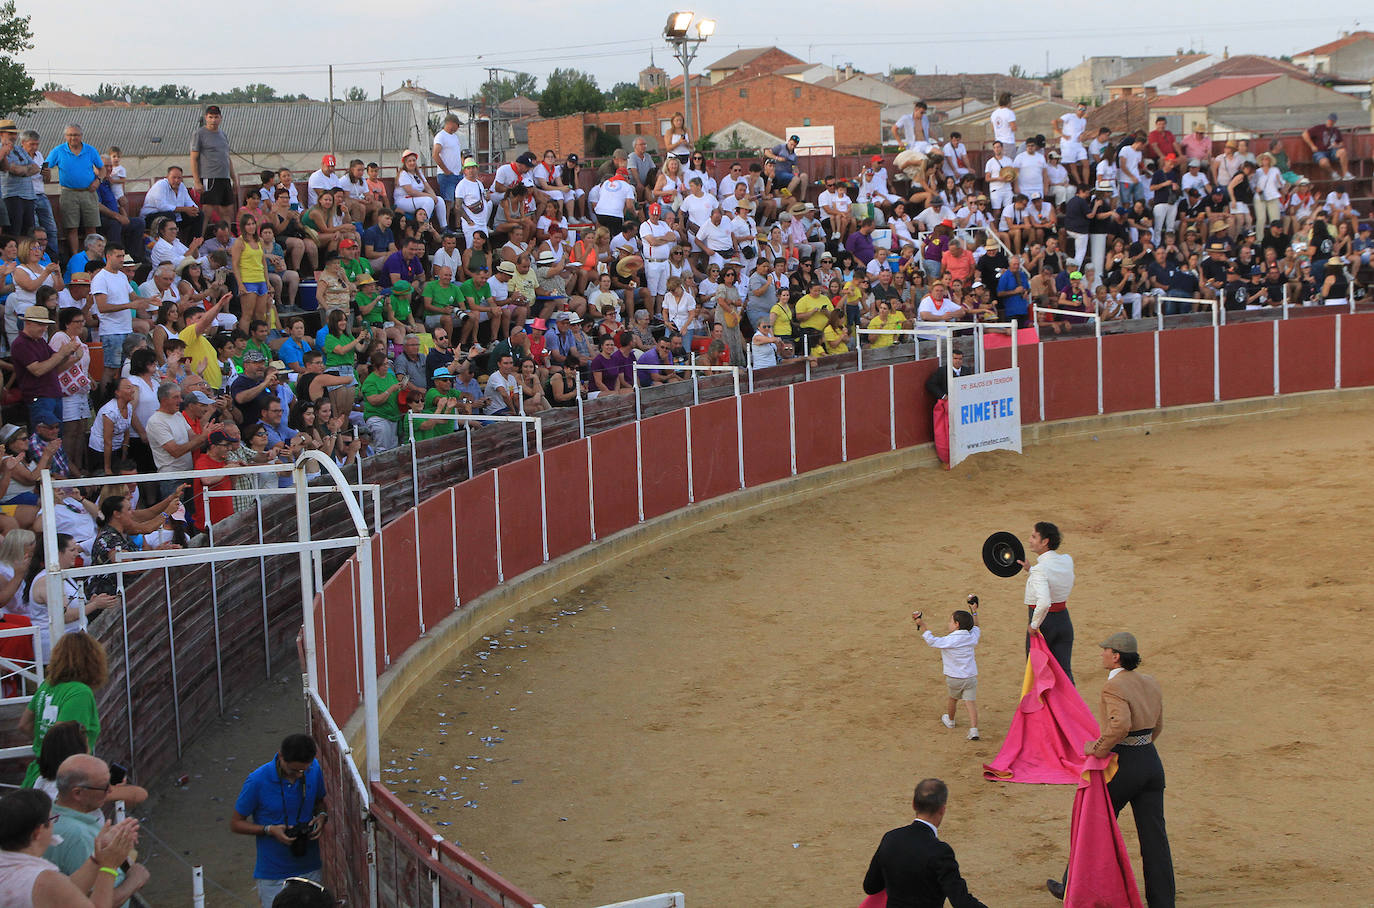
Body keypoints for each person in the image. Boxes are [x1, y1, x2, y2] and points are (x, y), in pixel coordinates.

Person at [1049, 632, 1175, 907]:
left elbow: (1119, 726)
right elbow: (1158, 726)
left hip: (1123, 765)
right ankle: (1163, 902)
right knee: (1155, 838)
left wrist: (1097, 749)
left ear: (1116, 655)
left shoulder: (1113, 687)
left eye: (1105, 650)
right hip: (1151, 762)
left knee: (1092, 825)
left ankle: (1070, 885)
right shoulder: (1150, 682)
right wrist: (1141, 746)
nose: (1102, 653)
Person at [231, 733, 328, 908]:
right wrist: (269, 830)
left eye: (303, 771)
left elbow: (319, 802)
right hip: (273, 874)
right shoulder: (257, 780)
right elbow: (236, 823)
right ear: (280, 756)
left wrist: (322, 816)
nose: (299, 775)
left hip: (310, 867)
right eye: (294, 770)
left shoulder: (313, 769)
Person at [0, 787, 138, 908]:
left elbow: (65, 891)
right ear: (38, 832)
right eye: (52, 819)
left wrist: (97, 857)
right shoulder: (44, 879)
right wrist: (109, 866)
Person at [862, 778, 988, 908]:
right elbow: (961, 901)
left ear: (914, 805)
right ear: (942, 809)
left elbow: (871, 886)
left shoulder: (891, 838)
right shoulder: (940, 852)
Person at [44, 754, 151, 904]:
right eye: (104, 787)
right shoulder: (79, 836)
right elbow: (94, 903)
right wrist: (135, 879)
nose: (110, 791)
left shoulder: (51, 816)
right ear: (78, 793)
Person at [18, 631, 106, 788]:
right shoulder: (80, 692)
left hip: (36, 774)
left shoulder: (47, 685)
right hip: (63, 781)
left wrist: (43, 745)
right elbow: (66, 741)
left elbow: (24, 725)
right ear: (92, 660)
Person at [913, 596, 981, 741]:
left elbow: (931, 640)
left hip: (954, 678)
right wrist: (974, 611)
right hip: (970, 677)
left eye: (951, 621)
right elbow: (976, 627)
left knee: (953, 699)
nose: (948, 623)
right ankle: (974, 729)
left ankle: (950, 720)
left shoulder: (949, 640)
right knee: (970, 703)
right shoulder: (972, 637)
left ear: (956, 624)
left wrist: (922, 623)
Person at [1020, 520, 1075, 682]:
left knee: (1038, 675)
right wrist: (1031, 570)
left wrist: (1034, 625)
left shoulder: (1040, 570)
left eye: (1034, 536)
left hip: (1044, 625)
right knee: (1065, 674)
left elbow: (1044, 602)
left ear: (1045, 542)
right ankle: (1070, 708)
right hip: (1064, 621)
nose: (1030, 540)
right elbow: (1055, 577)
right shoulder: (1066, 560)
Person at [1302, 112, 1353, 181]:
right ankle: (1333, 173)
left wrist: (1337, 145)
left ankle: (1346, 174)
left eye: (1332, 121)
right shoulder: (1319, 128)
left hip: (1332, 151)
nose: (1330, 122)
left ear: (1335, 122)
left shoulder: (1336, 130)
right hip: (1320, 152)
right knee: (1323, 162)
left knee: (1343, 151)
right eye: (1330, 120)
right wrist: (1312, 146)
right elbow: (1305, 134)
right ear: (1327, 120)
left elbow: (1342, 143)